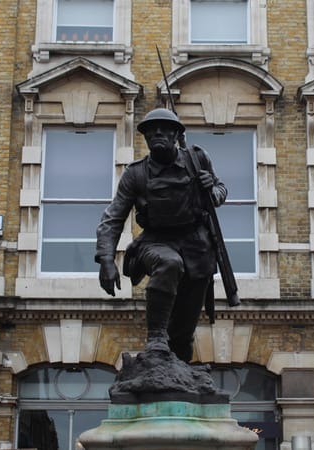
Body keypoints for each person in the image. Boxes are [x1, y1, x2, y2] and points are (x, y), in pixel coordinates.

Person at [95, 108, 227, 363]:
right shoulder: (136, 173)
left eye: (164, 129)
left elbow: (220, 190)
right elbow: (113, 217)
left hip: (197, 248)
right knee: (168, 263)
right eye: (150, 130)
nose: (157, 133)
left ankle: (179, 374)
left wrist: (212, 189)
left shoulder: (198, 158)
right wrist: (106, 259)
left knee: (183, 335)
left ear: (177, 134)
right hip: (155, 242)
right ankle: (156, 337)